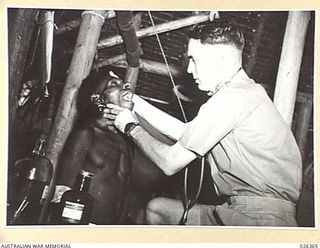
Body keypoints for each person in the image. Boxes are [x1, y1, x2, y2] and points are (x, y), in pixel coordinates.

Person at [104, 21, 302, 226]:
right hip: (238, 208)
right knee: (159, 210)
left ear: (220, 59)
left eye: (194, 59)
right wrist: (132, 101)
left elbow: (169, 163)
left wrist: (131, 127)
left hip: (261, 218)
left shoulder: (232, 98)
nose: (189, 69)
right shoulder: (242, 93)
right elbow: (185, 133)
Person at [55, 72, 134, 224]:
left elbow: (124, 191)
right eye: (113, 84)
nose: (125, 86)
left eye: (124, 83)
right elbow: (63, 190)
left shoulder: (127, 141)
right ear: (97, 99)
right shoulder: (85, 133)